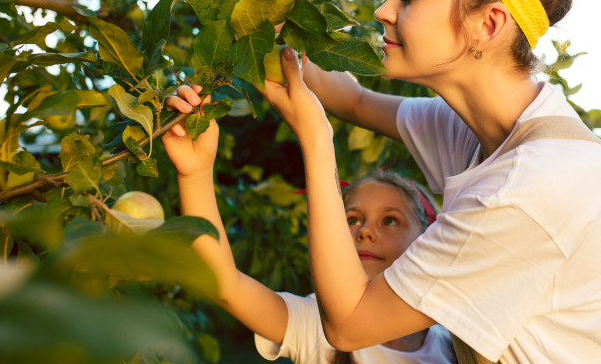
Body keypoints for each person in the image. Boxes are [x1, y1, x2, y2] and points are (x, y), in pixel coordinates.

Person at [257, 0, 601, 364]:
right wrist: (272, 24)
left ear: (487, 24)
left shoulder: (530, 185)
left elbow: (349, 324)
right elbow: (355, 101)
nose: (385, 10)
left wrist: (316, 140)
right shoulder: (482, 132)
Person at [160, 101, 455, 364]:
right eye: (352, 219)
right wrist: (195, 174)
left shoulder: (452, 343)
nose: (364, 231)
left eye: (389, 220)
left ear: (426, 237)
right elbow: (224, 283)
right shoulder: (316, 322)